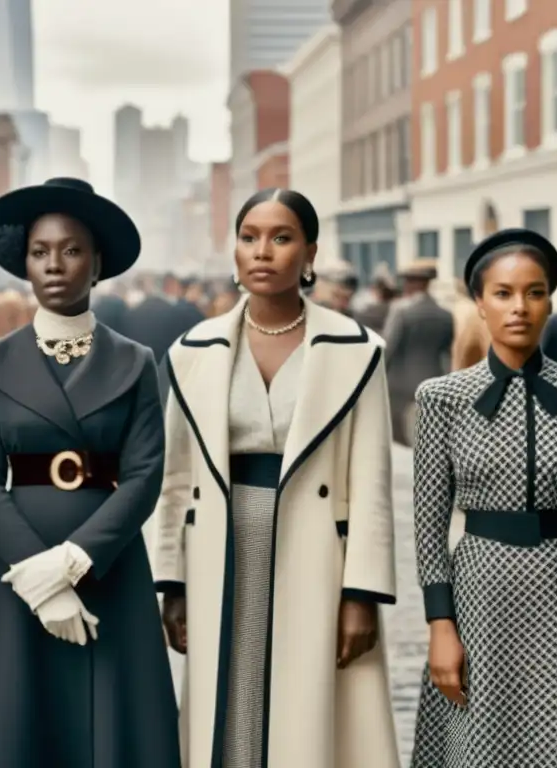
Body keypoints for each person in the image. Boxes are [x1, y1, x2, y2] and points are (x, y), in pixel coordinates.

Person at [150, 187, 400, 768]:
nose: (262, 251)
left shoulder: (357, 349)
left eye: (281, 238)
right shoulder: (192, 350)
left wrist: (360, 593)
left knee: (309, 718)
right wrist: (173, 583)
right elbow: (175, 478)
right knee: (229, 706)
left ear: (309, 254)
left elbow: (371, 483)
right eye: (249, 237)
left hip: (318, 557)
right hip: (220, 551)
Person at [0, 177, 180, 768]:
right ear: (25, 263)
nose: (55, 264)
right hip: (15, 573)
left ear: (99, 262)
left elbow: (144, 476)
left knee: (112, 724)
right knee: (17, 722)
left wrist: (75, 561)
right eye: (40, 251)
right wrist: (39, 577)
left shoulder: (135, 362)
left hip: (108, 567)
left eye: (72, 250)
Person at [410, 229, 557, 767]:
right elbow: (427, 525)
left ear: (550, 303)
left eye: (535, 293)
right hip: (476, 600)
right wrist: (440, 626)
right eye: (503, 293)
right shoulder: (441, 399)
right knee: (477, 749)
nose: (520, 308)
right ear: (479, 304)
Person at [383, 258, 454, 446]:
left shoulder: (401, 311)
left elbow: (388, 349)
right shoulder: (445, 314)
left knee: (403, 444)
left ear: (414, 283)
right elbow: (446, 354)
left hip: (400, 390)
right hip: (433, 384)